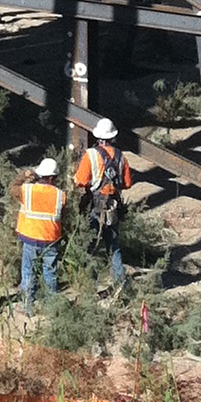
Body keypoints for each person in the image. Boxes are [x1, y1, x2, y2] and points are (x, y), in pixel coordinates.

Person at [74, 117, 136, 288]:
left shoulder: (91, 155)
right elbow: (127, 183)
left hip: (95, 205)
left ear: (98, 137)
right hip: (113, 206)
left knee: (91, 245)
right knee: (113, 246)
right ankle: (120, 284)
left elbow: (80, 181)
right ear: (113, 137)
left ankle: (91, 285)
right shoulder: (121, 156)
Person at [14, 156, 65, 313]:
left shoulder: (27, 190)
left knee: (28, 271)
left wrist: (25, 175)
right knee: (50, 273)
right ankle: (51, 307)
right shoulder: (60, 194)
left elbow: (14, 187)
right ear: (52, 177)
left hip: (30, 238)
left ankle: (27, 305)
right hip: (50, 240)